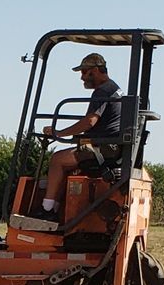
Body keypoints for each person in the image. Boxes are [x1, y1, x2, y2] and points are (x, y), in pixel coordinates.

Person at [33, 53, 122, 225]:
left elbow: (89, 121)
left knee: (57, 160)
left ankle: (47, 210)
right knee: (66, 159)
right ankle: (56, 210)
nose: (82, 77)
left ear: (95, 70)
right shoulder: (114, 88)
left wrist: (58, 133)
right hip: (108, 144)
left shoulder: (103, 91)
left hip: (103, 148)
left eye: (84, 72)